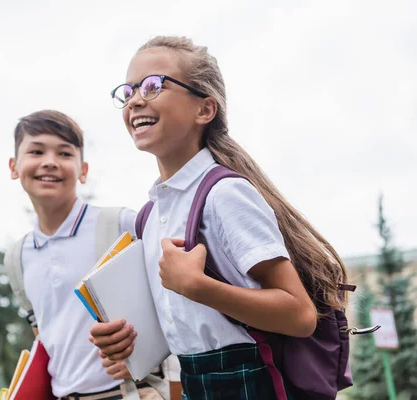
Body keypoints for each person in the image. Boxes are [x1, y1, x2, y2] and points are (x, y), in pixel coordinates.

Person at [89, 36, 349, 399]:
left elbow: (300, 316)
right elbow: (181, 329)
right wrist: (123, 344)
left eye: (153, 86)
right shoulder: (149, 216)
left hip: (251, 384)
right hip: (194, 384)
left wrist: (199, 287)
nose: (135, 99)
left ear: (204, 110)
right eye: (128, 90)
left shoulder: (224, 195)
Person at [5, 109, 175, 399]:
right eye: (36, 151)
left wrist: (141, 353)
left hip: (128, 393)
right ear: (14, 167)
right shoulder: (16, 258)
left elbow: (176, 301)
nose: (50, 162)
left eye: (64, 153)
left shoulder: (121, 224)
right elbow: (44, 338)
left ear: (83, 171)